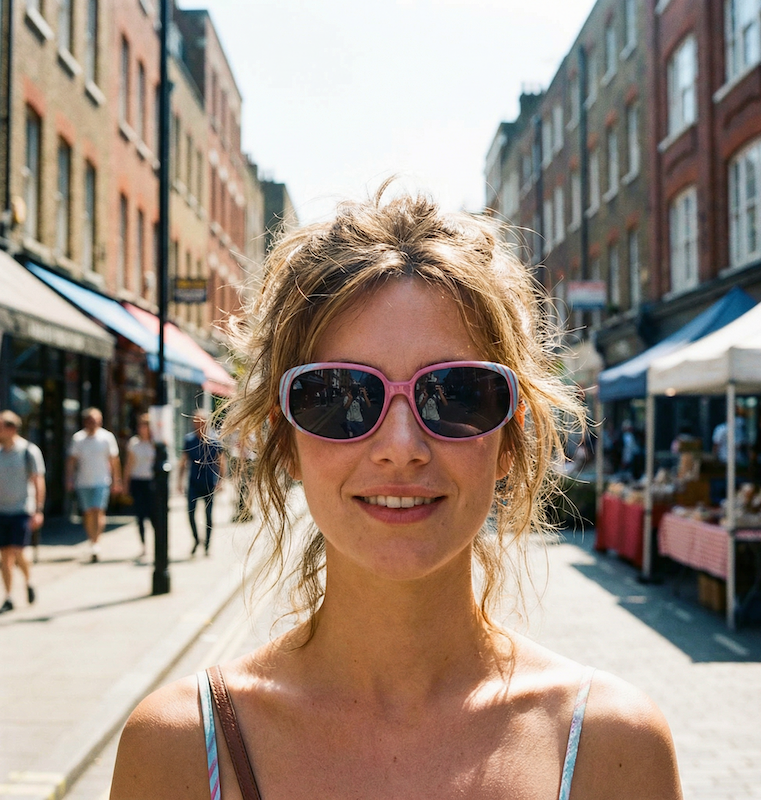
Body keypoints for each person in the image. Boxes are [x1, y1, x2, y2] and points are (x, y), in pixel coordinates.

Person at [111, 186, 682, 798]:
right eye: (339, 396)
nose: (401, 445)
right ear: (287, 440)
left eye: (457, 394)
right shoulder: (179, 751)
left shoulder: (613, 748)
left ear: (510, 441)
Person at [0, 411, 44, 613]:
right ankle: (8, 596)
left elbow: (38, 480)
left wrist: (38, 510)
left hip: (21, 509)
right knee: (5, 555)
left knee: (18, 552)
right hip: (2, 510)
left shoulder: (28, 451)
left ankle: (29, 580)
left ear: (12, 428)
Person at [66, 408, 122, 563]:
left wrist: (117, 480)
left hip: (102, 481)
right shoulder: (78, 438)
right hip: (83, 481)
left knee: (98, 511)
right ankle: (92, 540)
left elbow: (114, 460)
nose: (94, 423)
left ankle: (96, 543)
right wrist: (69, 479)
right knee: (88, 513)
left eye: (97, 420)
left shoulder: (106, 437)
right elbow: (71, 460)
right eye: (91, 420)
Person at [178, 410, 225, 556]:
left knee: (208, 515)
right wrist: (179, 481)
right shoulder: (189, 440)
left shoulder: (214, 440)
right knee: (190, 513)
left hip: (209, 482)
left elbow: (221, 462)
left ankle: (207, 545)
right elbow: (183, 461)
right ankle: (196, 539)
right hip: (193, 482)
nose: (198, 425)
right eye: (196, 422)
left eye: (201, 422)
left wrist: (221, 481)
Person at [122, 413, 156, 561]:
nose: (143, 429)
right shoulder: (134, 443)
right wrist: (125, 483)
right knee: (140, 515)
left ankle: (157, 544)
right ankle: (143, 545)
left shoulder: (156, 443)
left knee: (154, 515)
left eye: (146, 425)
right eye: (141, 425)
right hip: (138, 481)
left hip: (152, 482)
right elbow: (128, 465)